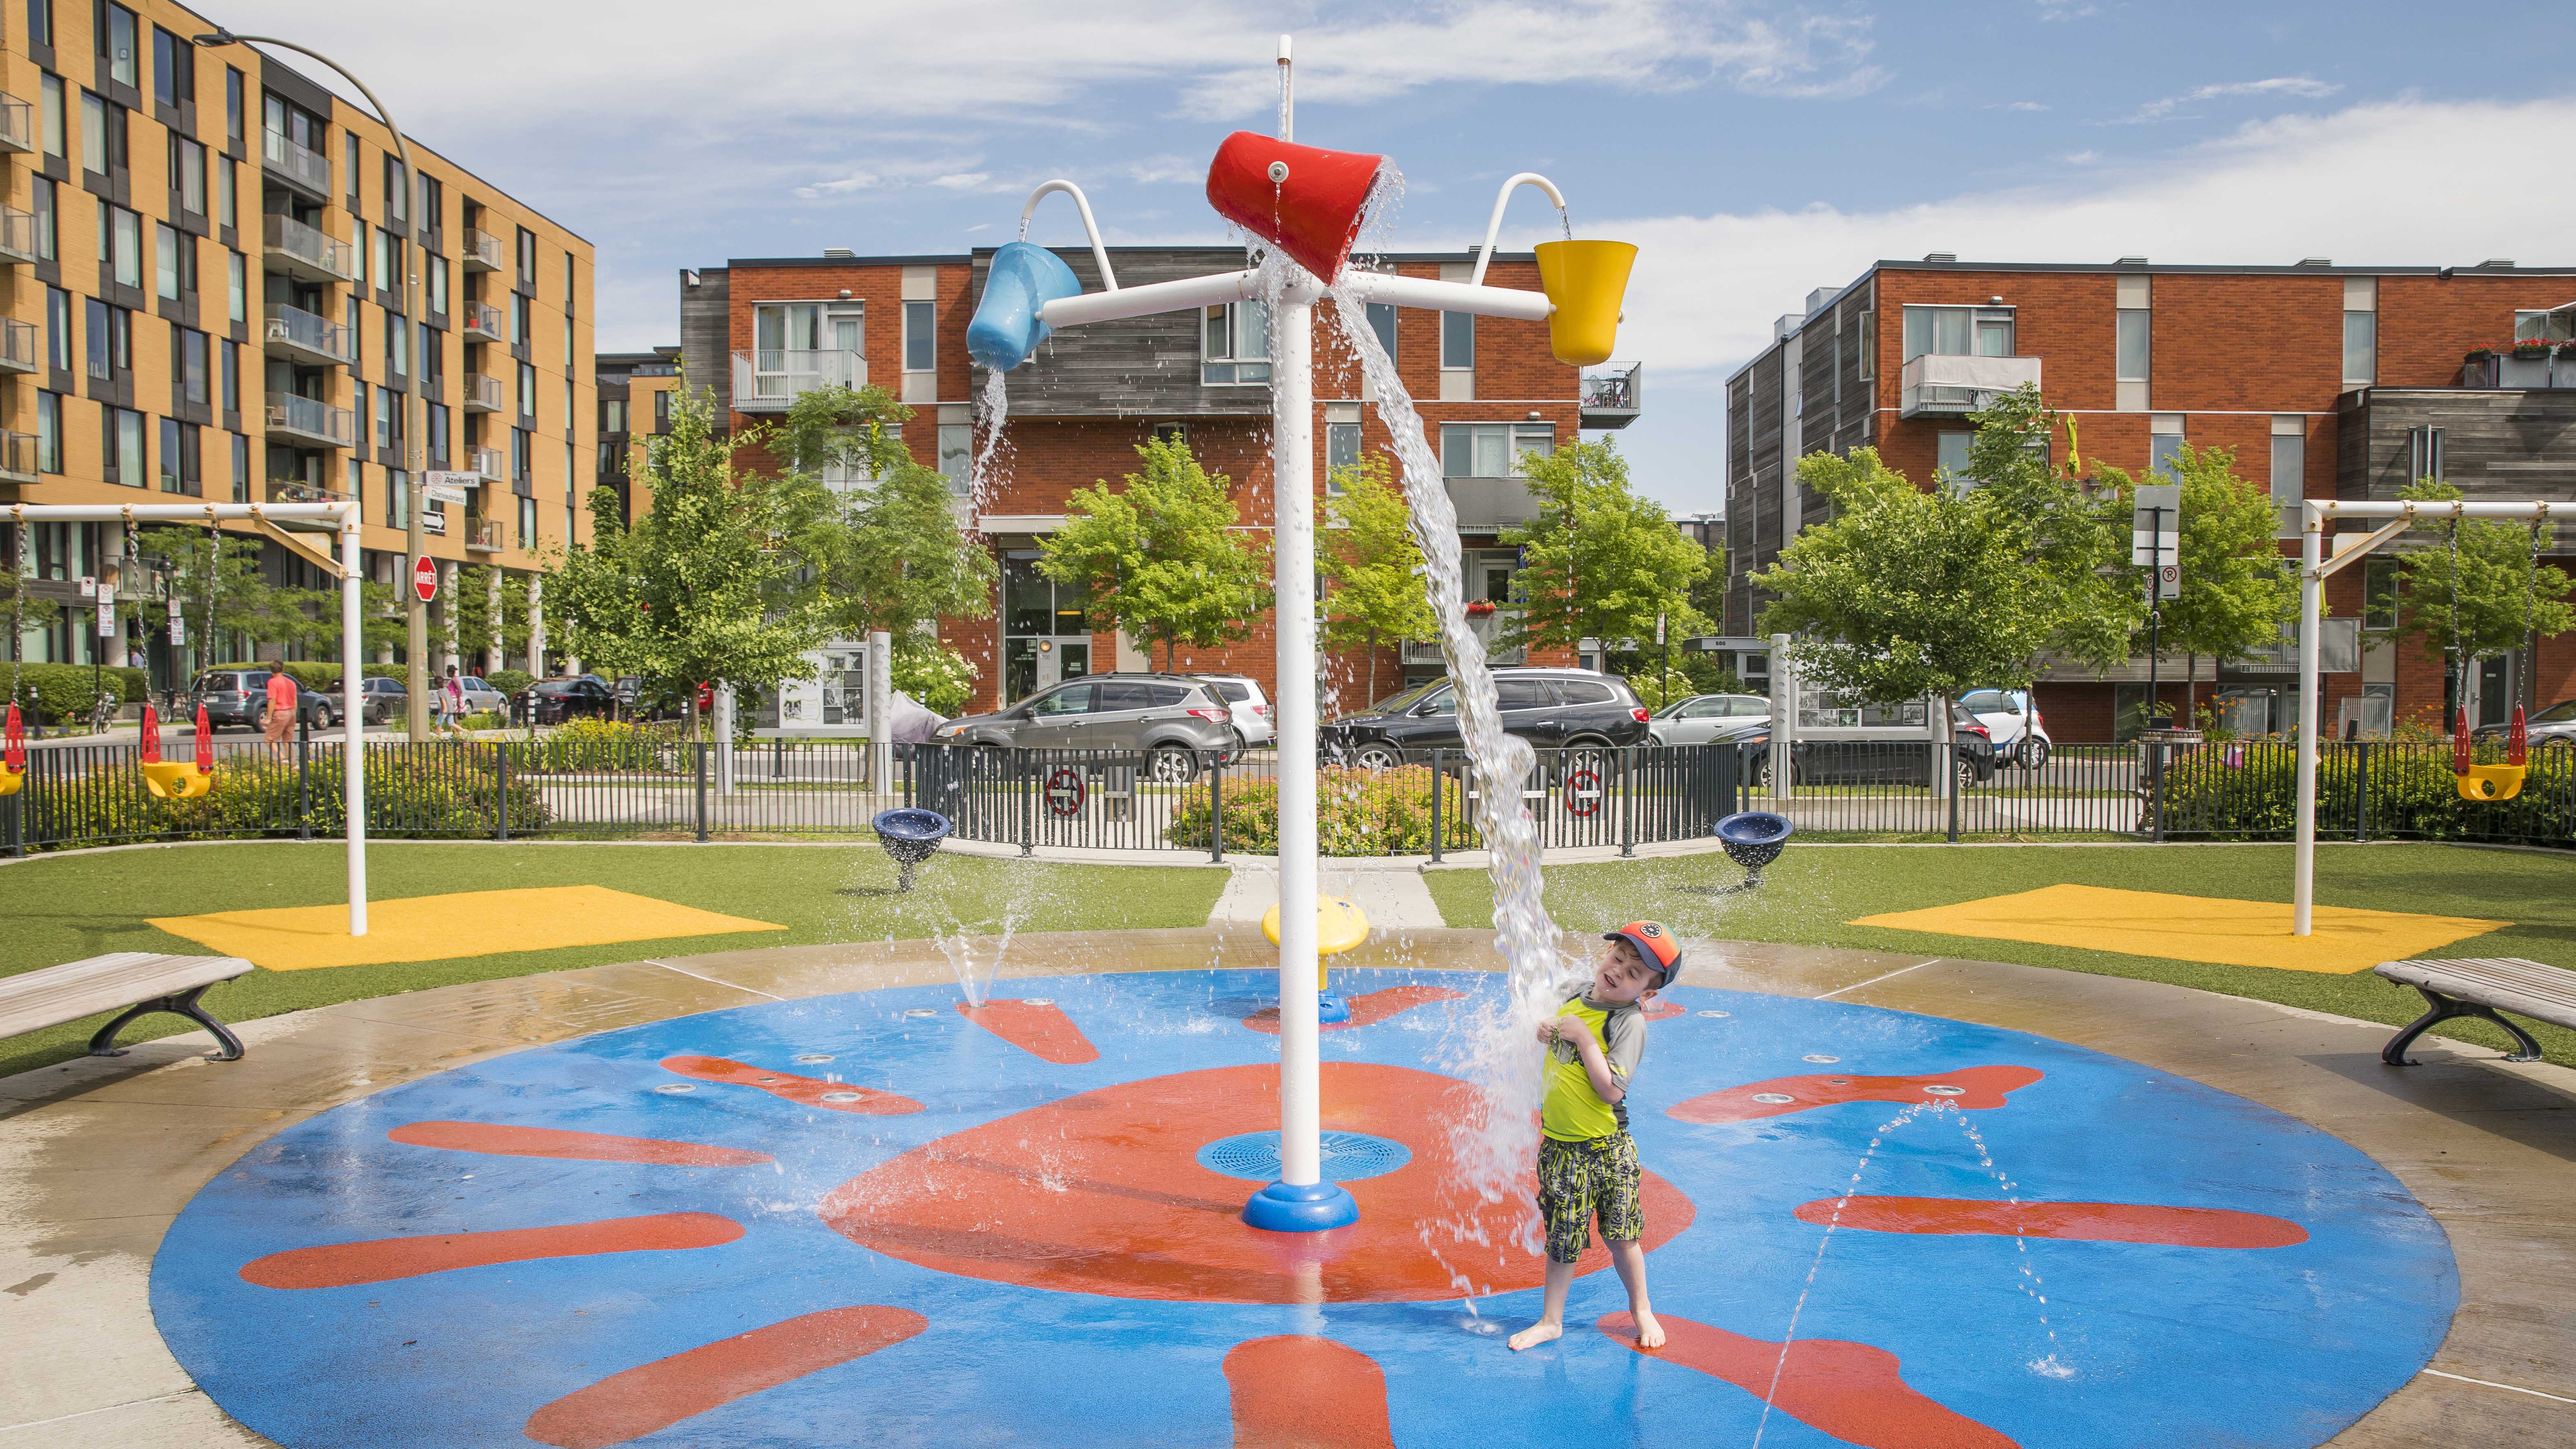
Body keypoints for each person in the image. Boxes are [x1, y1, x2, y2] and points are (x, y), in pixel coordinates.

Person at [1507, 921, 1681, 1354]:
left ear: (1649, 991)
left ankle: (1641, 1308)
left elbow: (1612, 1089)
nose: (1619, 970)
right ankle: (1551, 1321)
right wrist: (1545, 1030)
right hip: (1561, 1148)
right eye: (1617, 957)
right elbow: (1549, 1035)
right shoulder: (1573, 993)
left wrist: (1584, 1038)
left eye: (1634, 972)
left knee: (1623, 1235)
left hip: (1607, 1148)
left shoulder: (1628, 1022)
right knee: (1563, 1237)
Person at [262, 669, 297, 753]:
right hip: (291, 712)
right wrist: (294, 715)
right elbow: (295, 701)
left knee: (269, 739)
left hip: (281, 712)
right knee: (287, 741)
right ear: (283, 670)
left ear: (272, 671)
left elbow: (273, 700)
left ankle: (282, 760)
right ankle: (290, 761)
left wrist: (268, 718)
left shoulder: (273, 682)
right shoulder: (291, 682)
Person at [440, 666, 465, 734]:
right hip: (454, 699)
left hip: (454, 699)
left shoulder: (454, 680)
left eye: (448, 673)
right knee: (454, 717)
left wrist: (458, 701)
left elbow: (459, 690)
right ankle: (456, 733)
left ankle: (456, 732)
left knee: (451, 717)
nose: (447, 674)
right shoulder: (454, 680)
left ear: (451, 673)